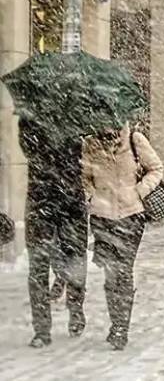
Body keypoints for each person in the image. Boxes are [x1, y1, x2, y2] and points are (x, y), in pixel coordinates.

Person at [82, 124, 164, 351]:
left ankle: (121, 328)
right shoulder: (91, 144)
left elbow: (156, 168)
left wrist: (138, 191)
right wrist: (91, 196)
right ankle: (116, 321)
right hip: (102, 218)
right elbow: (85, 178)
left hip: (130, 217)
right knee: (110, 274)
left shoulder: (135, 140)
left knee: (124, 271)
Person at [21, 118, 88, 348]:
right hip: (40, 202)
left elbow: (85, 153)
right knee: (38, 266)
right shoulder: (30, 118)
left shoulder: (78, 115)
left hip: (71, 202)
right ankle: (41, 328)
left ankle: (76, 308)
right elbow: (28, 148)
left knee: (75, 258)